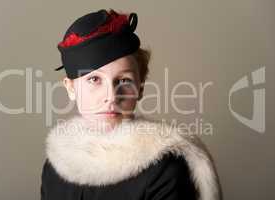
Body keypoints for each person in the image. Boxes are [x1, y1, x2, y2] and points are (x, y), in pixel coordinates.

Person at [40, 9, 223, 200]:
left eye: (124, 80)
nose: (111, 97)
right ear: (71, 88)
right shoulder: (54, 168)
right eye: (94, 79)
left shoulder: (164, 169)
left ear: (140, 87)